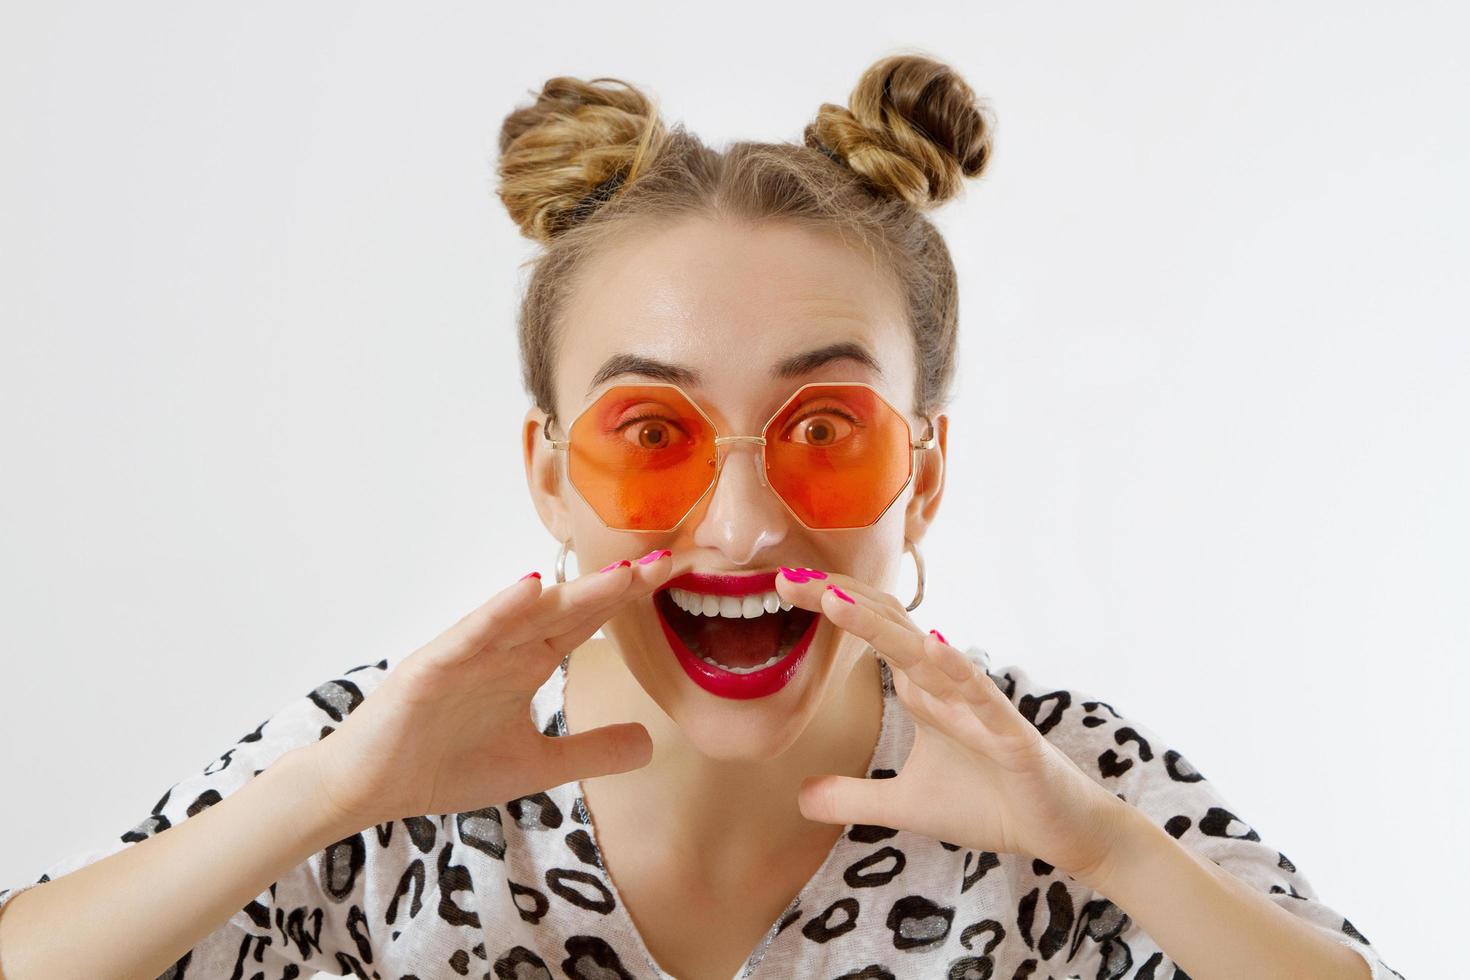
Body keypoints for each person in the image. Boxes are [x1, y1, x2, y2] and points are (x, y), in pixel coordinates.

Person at [0, 53, 1402, 980]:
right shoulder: (382, 758)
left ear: (920, 476)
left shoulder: (1053, 785)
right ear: (550, 472)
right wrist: (323, 799)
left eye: (827, 433)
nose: (741, 531)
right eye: (652, 434)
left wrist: (1103, 852)